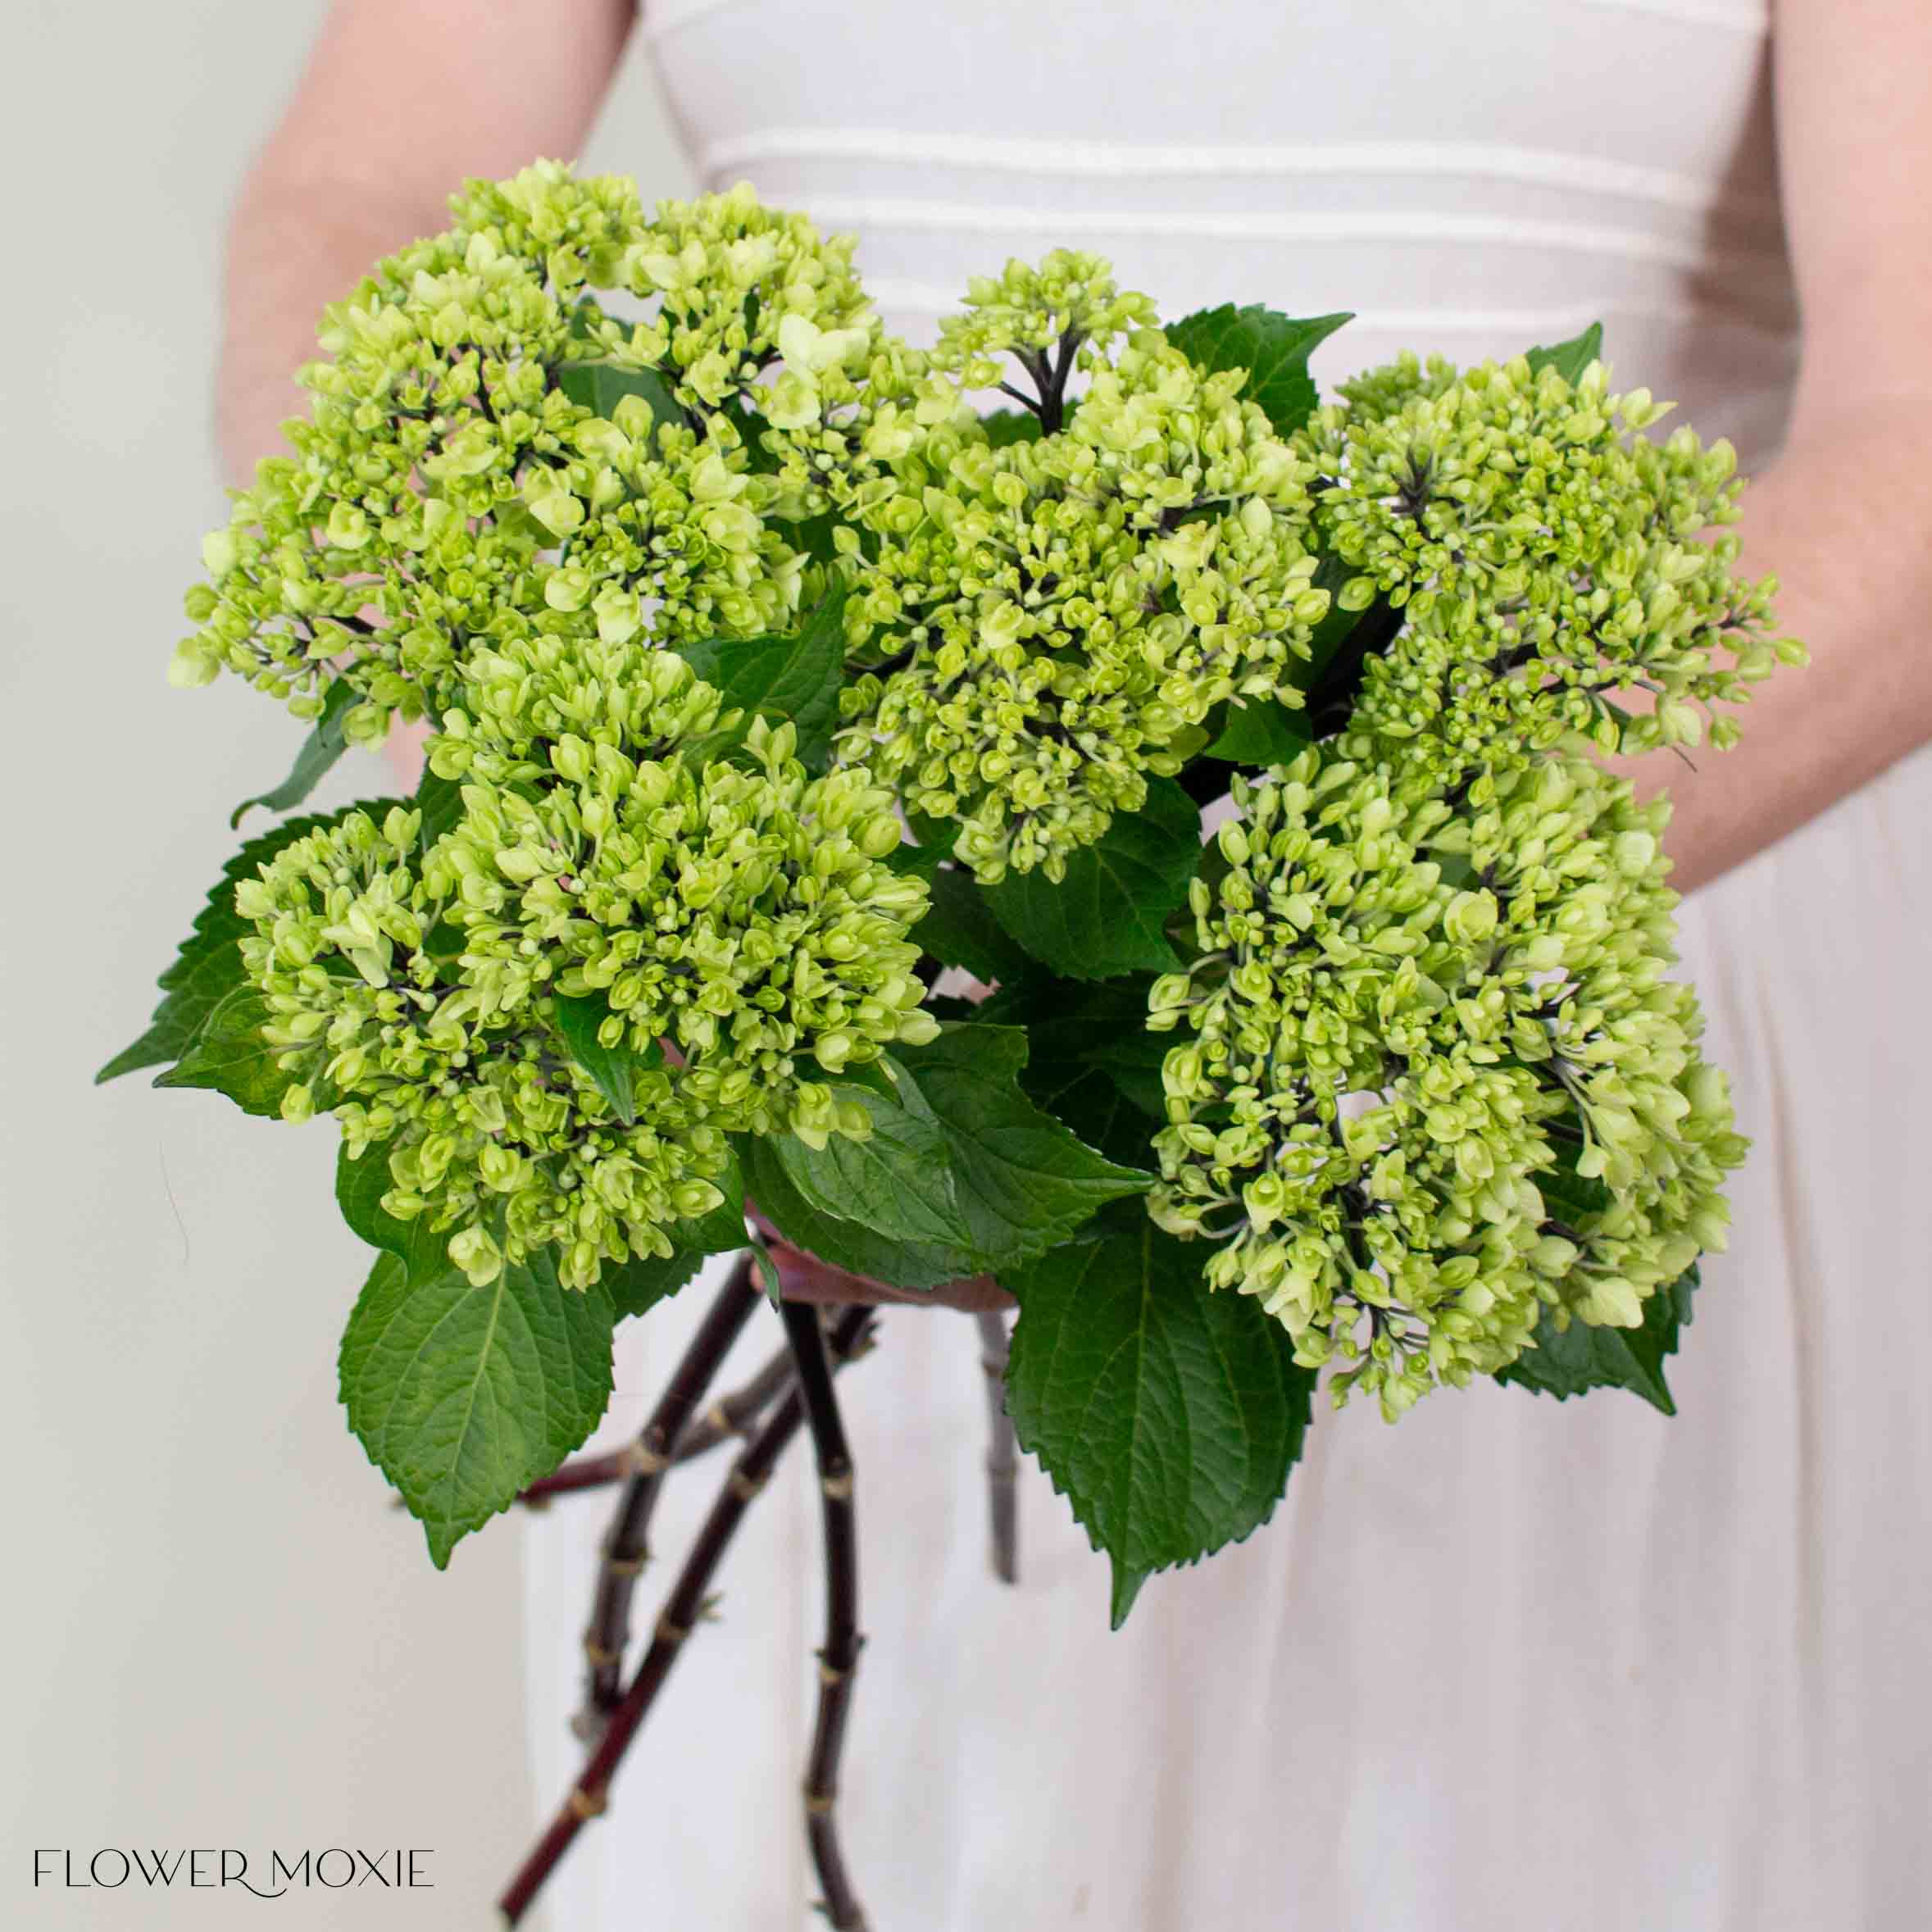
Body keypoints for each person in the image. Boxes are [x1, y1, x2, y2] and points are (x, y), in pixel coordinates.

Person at [220, 3, 1932, 1926]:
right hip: (849, 973)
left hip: (1542, 971)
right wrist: (590, 807)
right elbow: (363, 201)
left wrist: (1309, 934)